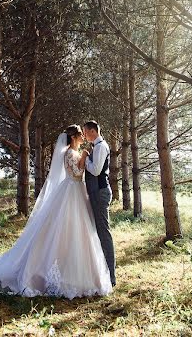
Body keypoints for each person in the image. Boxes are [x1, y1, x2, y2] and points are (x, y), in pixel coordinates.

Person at [0, 124, 112, 299]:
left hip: (77, 192)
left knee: (79, 232)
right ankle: (65, 274)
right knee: (66, 230)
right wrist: (85, 156)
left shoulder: (77, 152)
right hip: (72, 192)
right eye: (81, 135)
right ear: (73, 138)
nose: (83, 137)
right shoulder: (70, 154)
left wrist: (84, 156)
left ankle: (81, 271)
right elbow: (78, 172)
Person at [82, 120, 116, 287]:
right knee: (99, 232)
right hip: (96, 193)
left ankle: (111, 276)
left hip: (101, 193)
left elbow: (96, 170)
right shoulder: (96, 146)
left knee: (104, 233)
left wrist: (86, 159)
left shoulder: (101, 147)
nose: (84, 135)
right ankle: (102, 272)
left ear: (93, 131)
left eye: (86, 132)